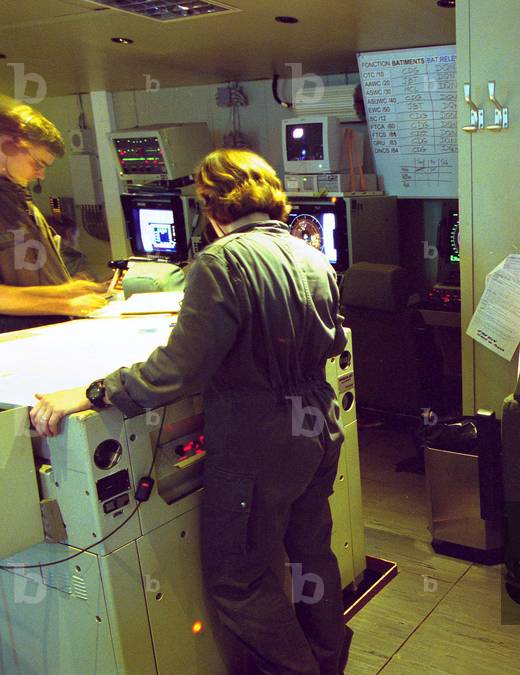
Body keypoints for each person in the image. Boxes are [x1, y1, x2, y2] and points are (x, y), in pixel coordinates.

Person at [31, 149, 349, 674]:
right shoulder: (311, 255)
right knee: (311, 554)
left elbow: (177, 371)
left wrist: (91, 393)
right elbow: (332, 338)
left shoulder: (222, 263)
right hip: (317, 425)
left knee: (238, 579)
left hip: (257, 438)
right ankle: (327, 660)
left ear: (209, 205)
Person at [0, 96, 106, 330]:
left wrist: (70, 291)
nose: (40, 174)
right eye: (37, 163)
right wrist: (63, 301)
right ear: (8, 144)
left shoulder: (19, 201)